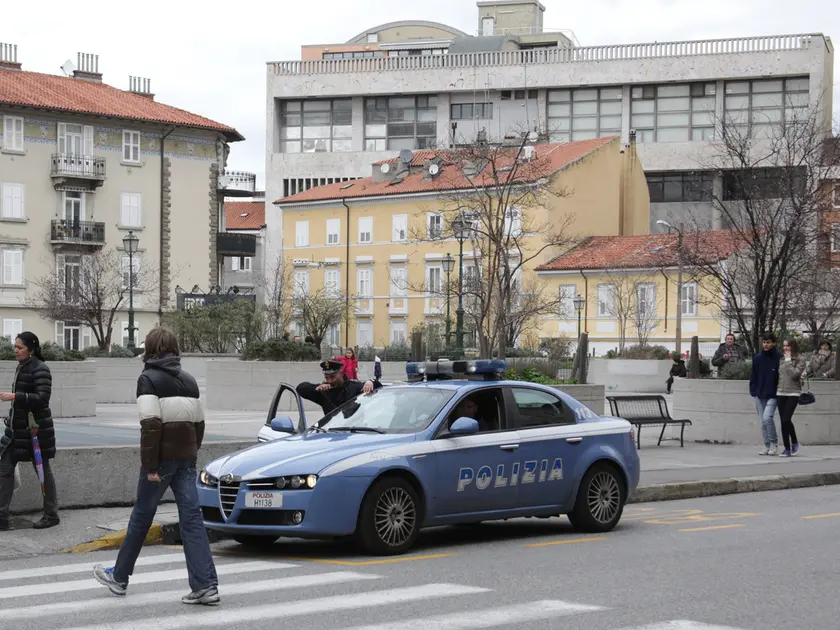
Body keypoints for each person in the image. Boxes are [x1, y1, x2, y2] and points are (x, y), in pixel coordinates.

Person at [93, 326, 219, 605]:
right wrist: (191, 453)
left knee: (141, 517)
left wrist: (150, 464)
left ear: (149, 348)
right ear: (175, 348)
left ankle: (120, 577)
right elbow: (199, 424)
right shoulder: (189, 380)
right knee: (192, 520)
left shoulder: (147, 379)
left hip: (160, 462)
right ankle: (206, 585)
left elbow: (150, 425)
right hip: (185, 459)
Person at [0, 332, 59, 531]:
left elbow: (42, 398)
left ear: (31, 349)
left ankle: (51, 515)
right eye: (15, 347)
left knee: (43, 473)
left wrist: (15, 396)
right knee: (5, 468)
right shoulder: (22, 367)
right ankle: (1, 516)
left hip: (35, 433)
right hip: (17, 431)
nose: (15, 350)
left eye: (19, 347)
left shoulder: (41, 368)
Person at [297, 359, 381, 416]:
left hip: (354, 432)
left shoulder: (353, 387)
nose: (329, 380)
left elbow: (379, 387)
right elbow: (300, 388)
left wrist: (371, 381)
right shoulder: (323, 391)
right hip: (331, 432)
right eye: (327, 377)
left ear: (341, 374)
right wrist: (316, 387)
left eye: (332, 377)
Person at [750, 333, 782, 456]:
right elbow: (754, 375)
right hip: (759, 393)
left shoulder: (779, 357)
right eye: (764, 342)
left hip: (773, 394)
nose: (766, 344)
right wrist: (753, 391)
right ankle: (767, 445)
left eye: (768, 342)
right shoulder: (758, 358)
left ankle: (773, 443)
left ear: (773, 343)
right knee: (762, 421)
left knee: (767, 418)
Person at [777, 338, 805, 457]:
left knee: (786, 419)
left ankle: (793, 441)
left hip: (793, 392)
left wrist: (788, 360)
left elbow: (794, 374)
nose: (785, 348)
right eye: (784, 346)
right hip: (780, 392)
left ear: (793, 346)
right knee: (784, 421)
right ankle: (787, 448)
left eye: (787, 346)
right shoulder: (781, 359)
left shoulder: (801, 359)